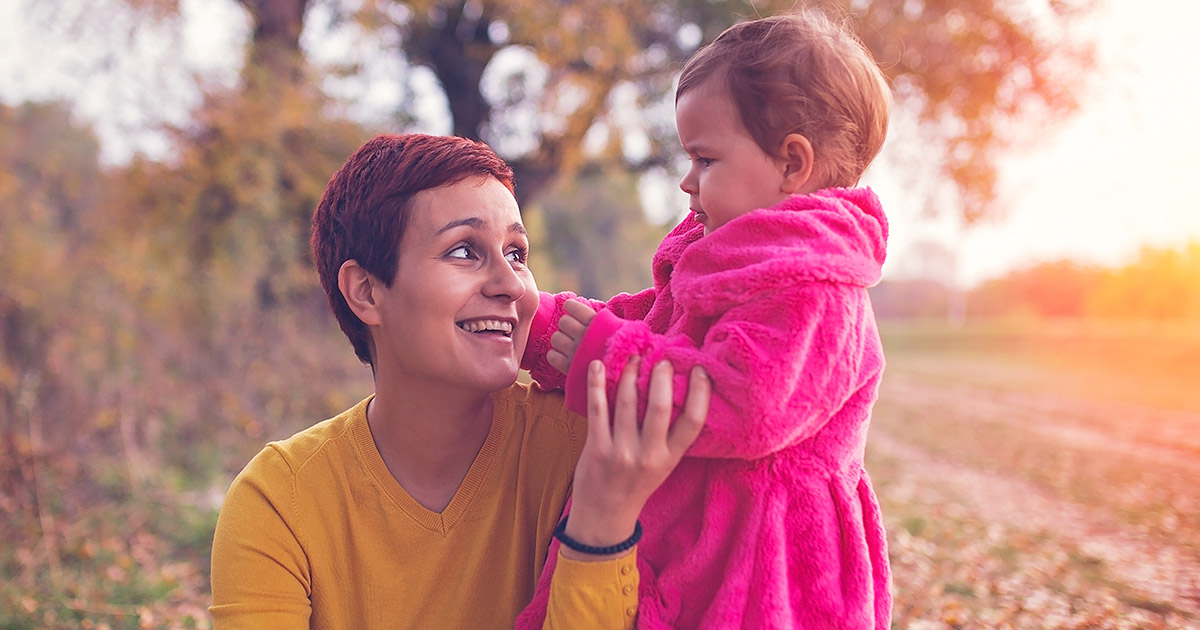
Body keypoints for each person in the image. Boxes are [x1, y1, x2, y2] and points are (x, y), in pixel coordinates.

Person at [208, 133, 712, 629]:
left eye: (517, 252)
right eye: (464, 251)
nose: (512, 285)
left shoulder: (595, 446)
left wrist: (602, 521)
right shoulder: (281, 501)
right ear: (365, 292)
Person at [516, 9, 892, 630]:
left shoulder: (820, 284)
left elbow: (751, 399)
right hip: (698, 531)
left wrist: (609, 360)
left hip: (762, 564)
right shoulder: (721, 253)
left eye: (705, 160)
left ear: (792, 163)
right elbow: (653, 324)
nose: (688, 182)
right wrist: (549, 325)